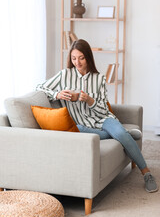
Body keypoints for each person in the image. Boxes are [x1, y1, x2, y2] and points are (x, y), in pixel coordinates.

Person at [36, 39, 158, 193]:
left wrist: (89, 100)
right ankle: (124, 135)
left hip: (102, 119)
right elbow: (39, 87)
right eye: (74, 58)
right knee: (78, 129)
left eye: (81, 58)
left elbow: (102, 109)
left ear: (88, 57)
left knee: (119, 132)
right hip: (81, 124)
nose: (77, 63)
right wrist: (57, 93)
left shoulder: (99, 78)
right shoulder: (64, 75)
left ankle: (146, 173)